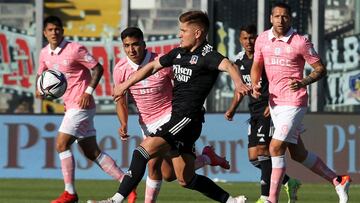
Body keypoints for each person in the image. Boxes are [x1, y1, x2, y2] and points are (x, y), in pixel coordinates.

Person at [90, 10, 251, 203]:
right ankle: (231, 200)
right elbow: (150, 67)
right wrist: (124, 85)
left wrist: (239, 83)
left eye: (183, 30)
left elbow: (229, 66)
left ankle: (115, 200)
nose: (179, 34)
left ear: (197, 33)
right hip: (179, 118)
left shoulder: (208, 55)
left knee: (142, 152)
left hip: (186, 118)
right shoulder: (179, 53)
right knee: (183, 178)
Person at [113, 27, 231, 203]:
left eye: (135, 44)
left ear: (144, 44)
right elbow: (120, 99)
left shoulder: (160, 62)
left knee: (151, 162)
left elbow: (182, 86)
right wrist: (123, 123)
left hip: (170, 118)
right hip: (146, 123)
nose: (132, 50)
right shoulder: (120, 69)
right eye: (127, 46)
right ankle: (207, 158)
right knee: (170, 175)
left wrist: (189, 109)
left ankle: (119, 199)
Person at [250, 3, 351, 203]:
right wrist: (255, 84)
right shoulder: (262, 39)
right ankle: (338, 180)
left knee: (275, 148)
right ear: (271, 18)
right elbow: (256, 64)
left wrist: (304, 81)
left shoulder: (300, 42)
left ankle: (271, 199)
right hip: (275, 103)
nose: (280, 20)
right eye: (277, 16)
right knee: (298, 153)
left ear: (291, 18)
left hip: (294, 102)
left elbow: (320, 68)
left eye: (285, 16)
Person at [36, 16, 135, 203]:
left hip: (81, 105)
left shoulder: (74, 49)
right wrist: (39, 90)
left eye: (57, 29)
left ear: (62, 31)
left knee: (61, 144)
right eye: (50, 30)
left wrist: (88, 92)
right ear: (44, 33)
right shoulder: (44, 54)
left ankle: (70, 193)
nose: (54, 32)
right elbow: (41, 76)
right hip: (69, 106)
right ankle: (127, 184)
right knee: (91, 152)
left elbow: (97, 68)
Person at [225, 24, 301, 203]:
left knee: (263, 151)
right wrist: (232, 109)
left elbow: (278, 80)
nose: (249, 42)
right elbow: (241, 89)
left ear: (257, 38)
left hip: (269, 110)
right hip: (254, 112)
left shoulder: (264, 59)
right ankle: (290, 182)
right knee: (254, 158)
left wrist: (272, 104)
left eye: (252, 38)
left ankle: (265, 197)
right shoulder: (239, 61)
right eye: (245, 38)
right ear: (240, 40)